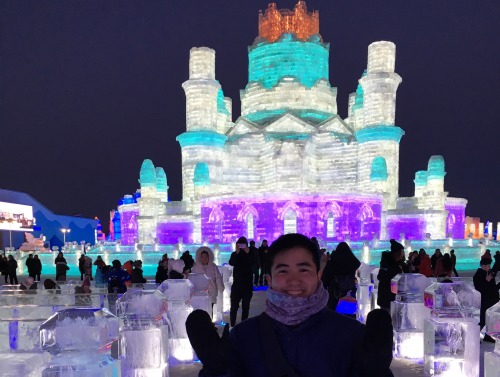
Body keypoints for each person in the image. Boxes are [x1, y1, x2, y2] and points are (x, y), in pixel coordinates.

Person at [229, 233, 368, 376]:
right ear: (269, 279)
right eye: (283, 271)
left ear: (318, 275)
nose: (294, 280)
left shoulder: (352, 336)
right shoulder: (242, 338)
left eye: (303, 270)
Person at [321, 241, 361, 311]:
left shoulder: (333, 262)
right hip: (349, 290)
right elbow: (357, 263)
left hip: (335, 291)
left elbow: (325, 277)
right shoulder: (351, 261)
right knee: (349, 311)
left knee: (333, 310)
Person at [228, 236, 255, 327]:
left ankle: (244, 326)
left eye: (243, 244)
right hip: (237, 285)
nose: (241, 246)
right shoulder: (235, 254)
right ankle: (232, 325)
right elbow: (231, 262)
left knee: (246, 307)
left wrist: (248, 253)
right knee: (234, 307)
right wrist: (237, 252)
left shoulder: (250, 253)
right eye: (239, 244)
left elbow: (254, 263)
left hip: (247, 285)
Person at [473, 258, 500, 342]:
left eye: (489, 265)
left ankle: (488, 336)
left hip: (492, 299)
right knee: (483, 320)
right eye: (488, 265)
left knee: (490, 319)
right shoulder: (478, 275)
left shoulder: (488, 273)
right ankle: (473, 336)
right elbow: (480, 288)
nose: (489, 267)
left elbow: (493, 288)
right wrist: (487, 281)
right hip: (486, 300)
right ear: (483, 266)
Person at [377, 239, 404, 311]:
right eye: (401, 252)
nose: (403, 254)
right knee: (387, 317)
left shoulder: (394, 263)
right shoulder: (389, 264)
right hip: (387, 297)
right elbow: (381, 277)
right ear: (396, 253)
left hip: (390, 297)